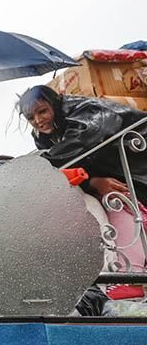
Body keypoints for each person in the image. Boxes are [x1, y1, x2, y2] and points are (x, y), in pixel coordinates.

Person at [17, 85, 147, 278]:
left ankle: (130, 276)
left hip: (137, 175)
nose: (37, 121)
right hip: (114, 181)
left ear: (56, 102)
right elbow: (73, 167)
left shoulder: (88, 112)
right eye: (30, 117)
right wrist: (93, 182)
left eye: (42, 111)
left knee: (117, 209)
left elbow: (79, 145)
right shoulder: (46, 136)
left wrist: (23, 173)